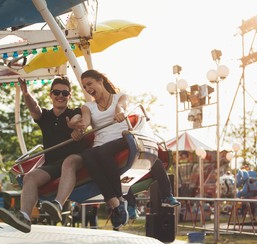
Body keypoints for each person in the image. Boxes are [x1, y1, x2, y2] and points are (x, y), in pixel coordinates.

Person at [71, 70, 180, 229]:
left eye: (90, 84)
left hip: (122, 139)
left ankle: (141, 197)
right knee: (88, 155)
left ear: (100, 81)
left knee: (104, 153)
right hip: (101, 144)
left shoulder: (119, 97)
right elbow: (85, 121)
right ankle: (116, 204)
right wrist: (78, 126)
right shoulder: (87, 106)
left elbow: (121, 107)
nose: (87, 89)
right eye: (84, 86)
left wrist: (120, 112)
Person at [0, 76, 85, 233]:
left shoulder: (74, 113)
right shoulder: (45, 117)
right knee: (29, 177)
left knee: (68, 163)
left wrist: (76, 128)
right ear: (50, 95)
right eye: (56, 92)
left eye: (64, 93)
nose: (60, 96)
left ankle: (57, 204)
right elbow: (34, 108)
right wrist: (25, 93)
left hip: (73, 160)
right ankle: (24, 217)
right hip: (52, 164)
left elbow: (78, 121)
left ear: (69, 96)